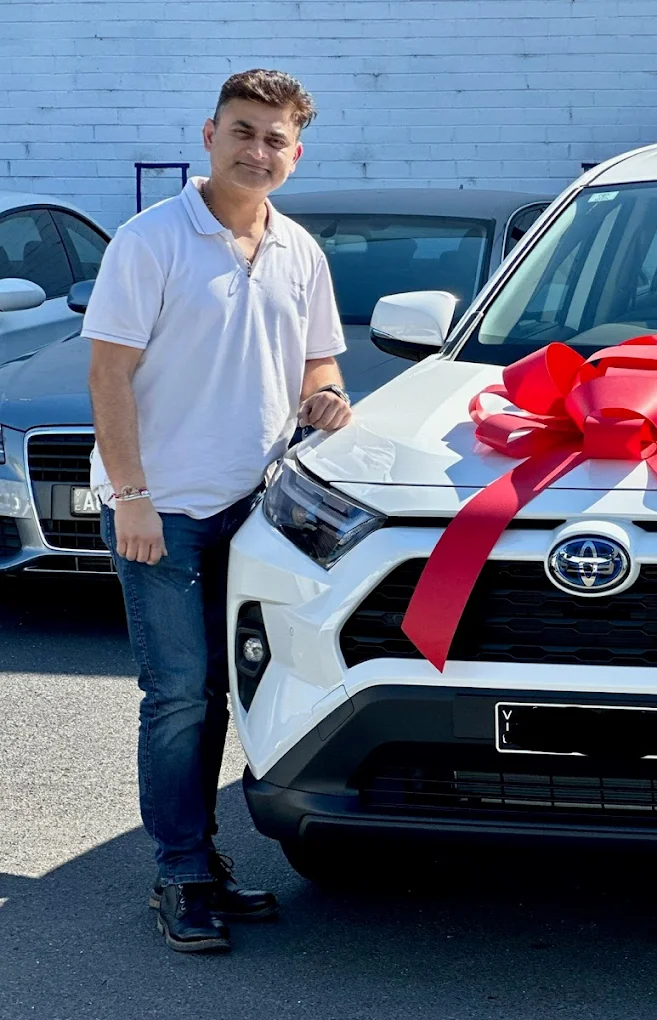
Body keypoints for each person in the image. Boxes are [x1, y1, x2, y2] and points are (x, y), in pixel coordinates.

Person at [85, 69, 353, 953]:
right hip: (161, 509)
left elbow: (318, 363)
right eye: (243, 131)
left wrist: (327, 398)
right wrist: (132, 498)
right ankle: (181, 873)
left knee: (231, 693)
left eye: (275, 139)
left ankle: (203, 859)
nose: (257, 151)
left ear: (296, 153)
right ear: (209, 135)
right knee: (176, 697)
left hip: (258, 513)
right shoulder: (150, 239)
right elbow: (109, 374)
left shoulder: (299, 251)